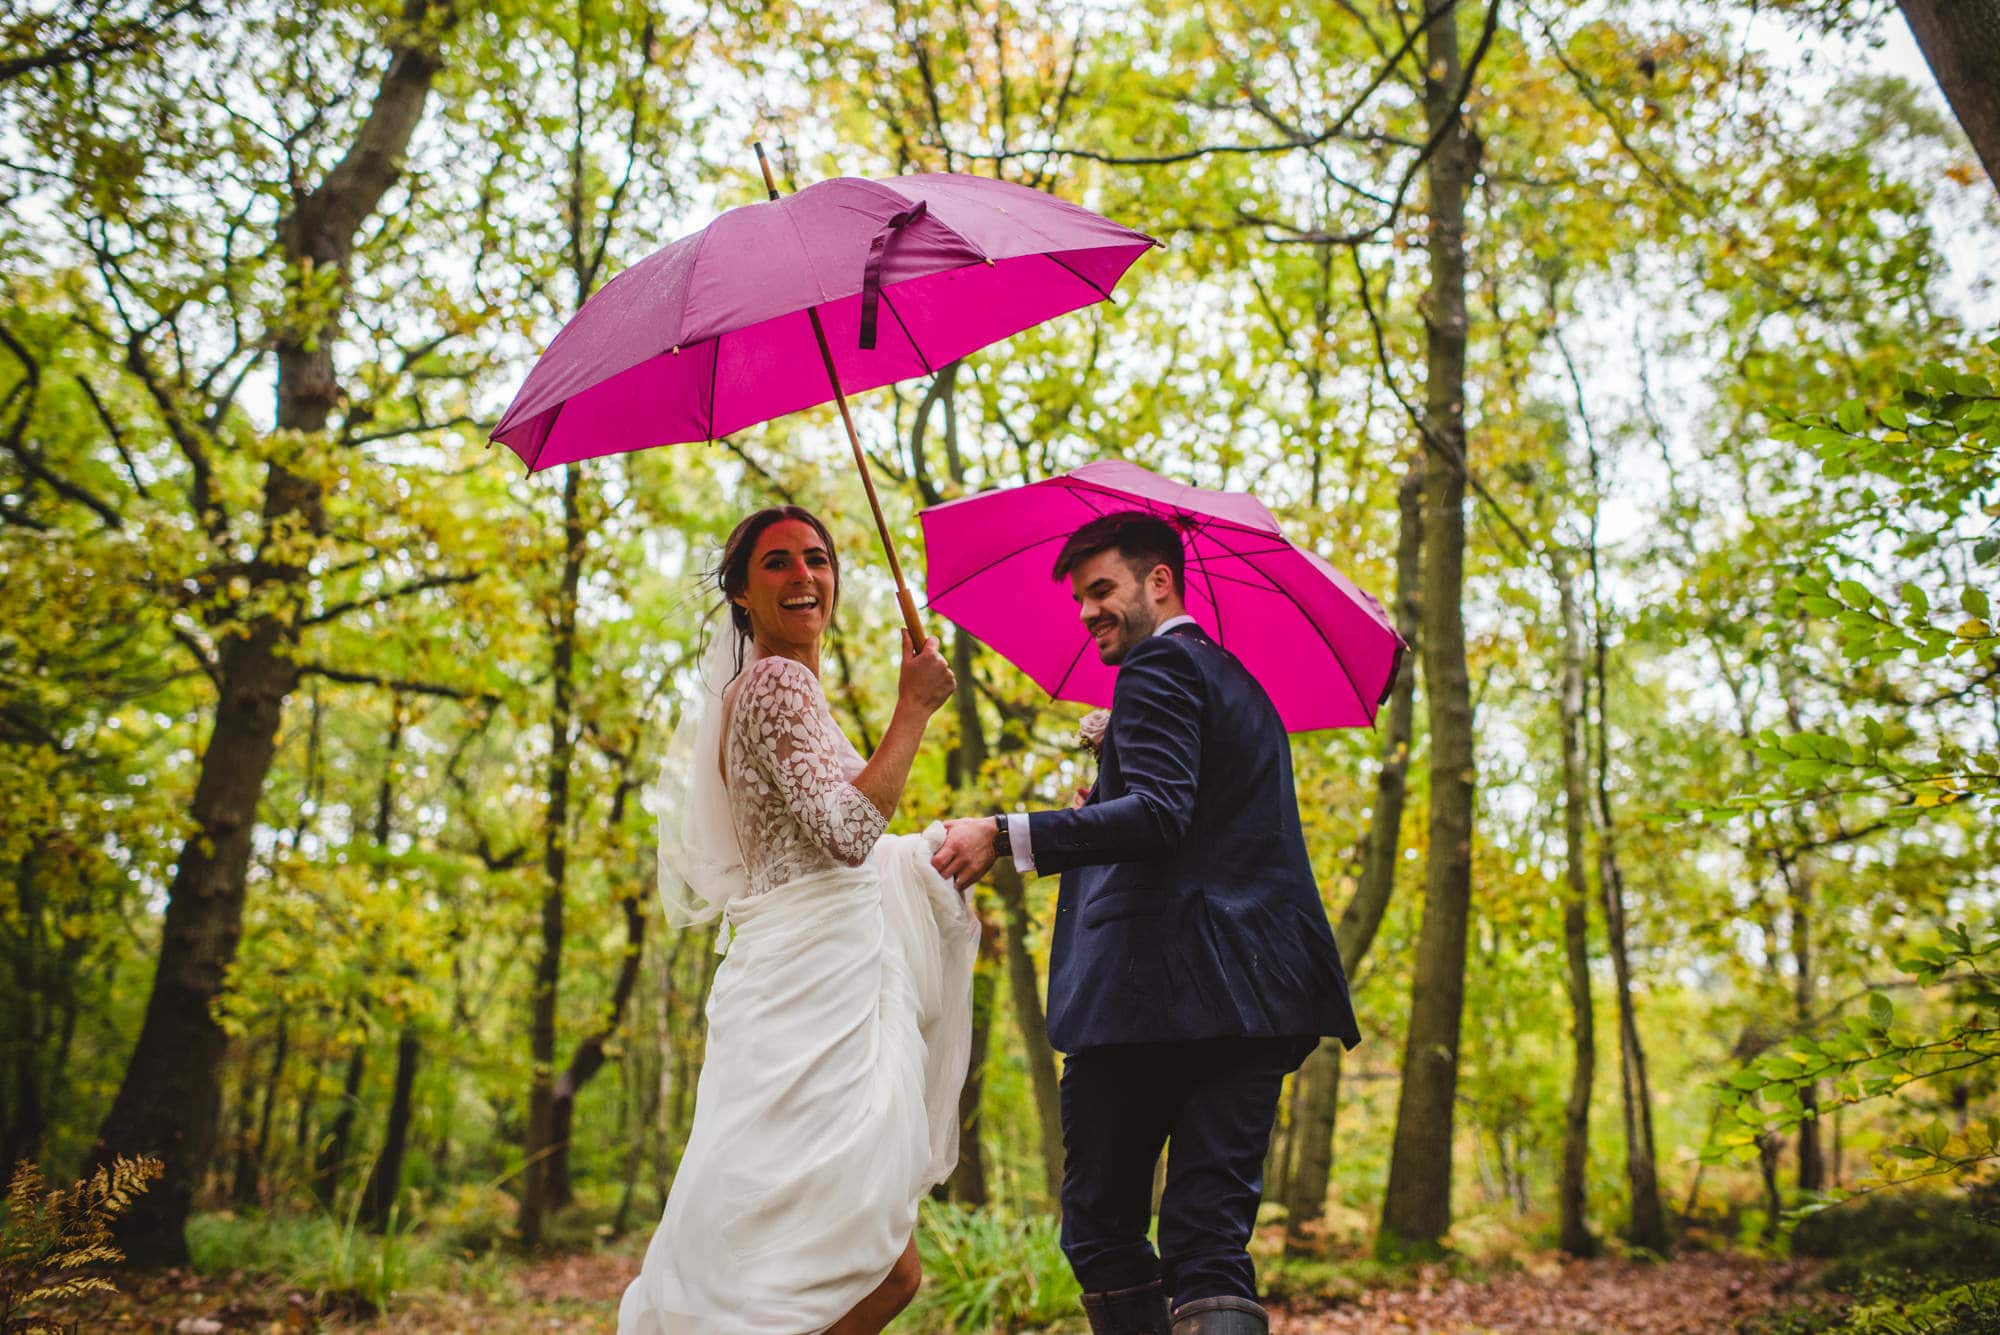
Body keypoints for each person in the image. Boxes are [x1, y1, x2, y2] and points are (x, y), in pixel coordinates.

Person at [930, 510, 1361, 1335]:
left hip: (1157, 999)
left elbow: (1161, 817)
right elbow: (1197, 825)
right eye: (1080, 596)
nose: (1088, 610)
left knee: (1101, 1228)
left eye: (1103, 589)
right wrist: (1110, 798)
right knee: (1208, 1239)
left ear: (1159, 580)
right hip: (1259, 998)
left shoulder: (1159, 667)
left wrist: (1006, 830)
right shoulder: (1238, 685)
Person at [620, 505, 978, 1335]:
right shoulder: (776, 684)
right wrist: (914, 708)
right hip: (807, 1004)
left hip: (816, 984)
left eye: (817, 558)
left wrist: (957, 848)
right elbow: (849, 833)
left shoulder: (792, 694)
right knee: (868, 1267)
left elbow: (842, 838)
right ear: (742, 593)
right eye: (776, 562)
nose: (803, 575)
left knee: (873, 1266)